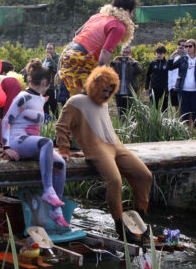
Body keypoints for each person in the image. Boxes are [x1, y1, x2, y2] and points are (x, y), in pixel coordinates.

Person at [55, 66, 152, 243]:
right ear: (94, 86)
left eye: (110, 91)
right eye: (104, 90)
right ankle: (119, 224)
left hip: (116, 146)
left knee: (144, 175)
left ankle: (138, 219)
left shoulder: (103, 102)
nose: (107, 94)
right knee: (115, 180)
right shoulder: (76, 102)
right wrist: (64, 149)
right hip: (96, 149)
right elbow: (61, 126)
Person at [0, 60, 69, 227]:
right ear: (45, 82)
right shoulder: (23, 97)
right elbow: (6, 121)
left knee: (59, 163)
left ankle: (55, 209)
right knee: (46, 142)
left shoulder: (39, 98)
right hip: (18, 141)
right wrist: (6, 147)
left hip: (33, 143)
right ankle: (47, 190)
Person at [59, 0, 137, 97]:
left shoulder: (98, 16)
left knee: (77, 100)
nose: (132, 16)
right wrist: (99, 74)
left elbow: (77, 33)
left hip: (67, 55)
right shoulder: (118, 26)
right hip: (81, 59)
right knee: (90, 99)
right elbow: (105, 52)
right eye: (132, 12)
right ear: (127, 11)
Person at [170, 39, 196, 127]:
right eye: (186, 46)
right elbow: (170, 67)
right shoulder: (182, 58)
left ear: (195, 47)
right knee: (184, 115)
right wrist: (172, 57)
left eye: (190, 46)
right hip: (183, 91)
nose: (188, 48)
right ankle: (185, 134)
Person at [110, 44, 143, 116]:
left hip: (130, 93)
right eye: (123, 52)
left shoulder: (134, 63)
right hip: (119, 92)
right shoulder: (117, 63)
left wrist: (133, 63)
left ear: (130, 53)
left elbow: (140, 71)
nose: (125, 54)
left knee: (131, 114)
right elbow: (108, 71)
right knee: (120, 114)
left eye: (127, 52)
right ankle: (121, 127)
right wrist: (113, 62)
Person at [145, 45, 169, 112]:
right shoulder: (152, 63)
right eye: (157, 53)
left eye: (160, 53)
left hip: (164, 89)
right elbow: (148, 75)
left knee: (164, 108)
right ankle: (154, 122)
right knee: (154, 107)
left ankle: (164, 121)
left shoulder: (167, 63)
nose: (159, 55)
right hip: (154, 88)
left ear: (164, 54)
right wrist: (147, 87)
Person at [168, 40, 186, 111]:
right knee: (176, 107)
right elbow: (169, 70)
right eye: (179, 44)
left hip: (182, 86)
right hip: (173, 86)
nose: (181, 46)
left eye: (183, 45)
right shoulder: (173, 57)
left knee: (184, 108)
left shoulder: (186, 58)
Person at [42, 43, 59, 117]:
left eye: (50, 49)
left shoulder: (58, 58)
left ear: (54, 50)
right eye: (47, 48)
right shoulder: (44, 59)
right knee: (44, 105)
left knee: (54, 106)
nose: (48, 50)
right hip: (44, 87)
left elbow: (58, 70)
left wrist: (51, 60)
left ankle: (56, 121)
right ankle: (46, 121)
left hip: (53, 87)